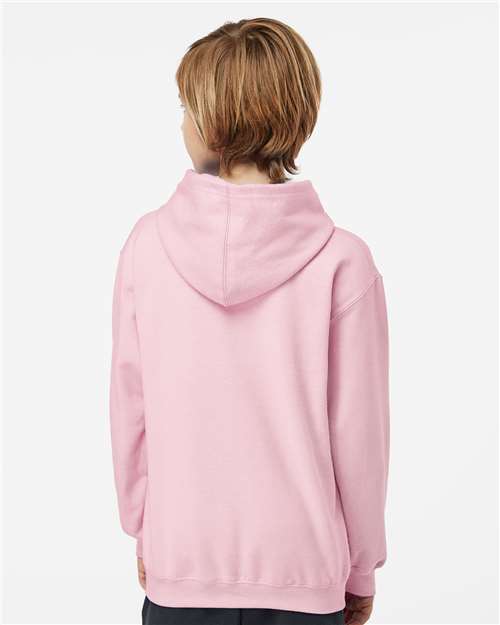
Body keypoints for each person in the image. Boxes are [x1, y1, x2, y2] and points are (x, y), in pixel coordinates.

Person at [109, 17, 390, 625]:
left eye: (186, 107)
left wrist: (145, 529)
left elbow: (131, 411)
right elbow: (360, 437)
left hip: (182, 569)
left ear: (213, 119)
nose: (181, 124)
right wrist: (361, 567)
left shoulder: (146, 247)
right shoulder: (343, 261)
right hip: (303, 575)